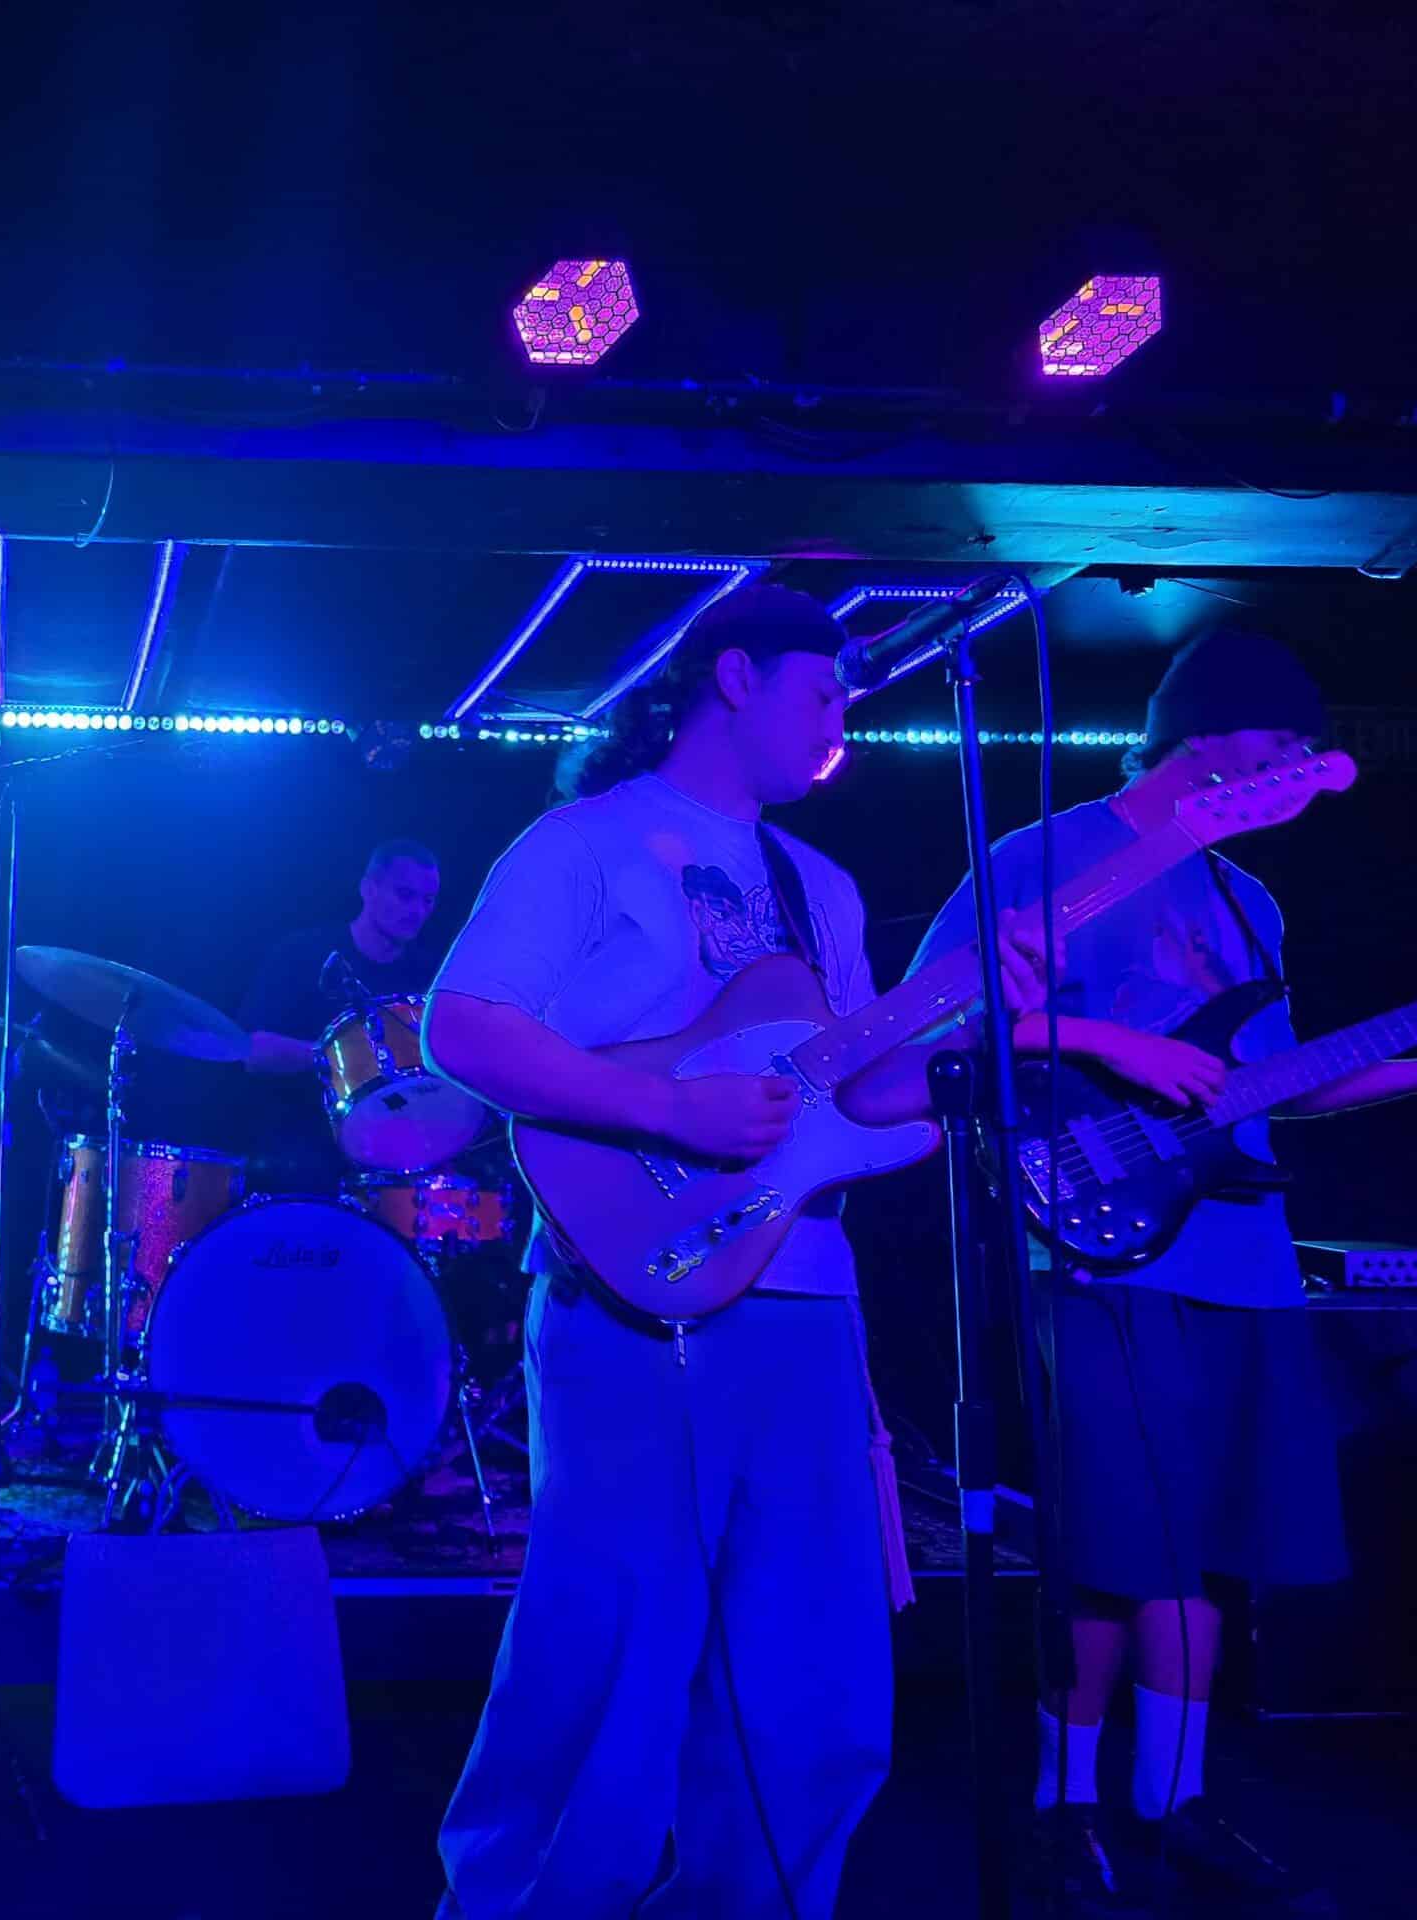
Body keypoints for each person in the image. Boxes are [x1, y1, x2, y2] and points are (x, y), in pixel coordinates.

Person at [422, 584, 1052, 1918]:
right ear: (735, 677)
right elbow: (462, 1029)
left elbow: (855, 1090)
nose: (840, 727)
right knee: (607, 1656)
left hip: (809, 1299)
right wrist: (664, 1108)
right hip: (633, 1299)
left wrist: (981, 1026)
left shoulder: (822, 886)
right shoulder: (586, 843)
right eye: (823, 696)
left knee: (814, 1678)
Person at [907, 629, 1416, 1912]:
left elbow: (1265, 1084)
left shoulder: (1252, 900)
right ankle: (1061, 1803)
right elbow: (936, 1029)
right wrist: (1112, 1046)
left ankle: (1173, 1799)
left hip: (1244, 1252)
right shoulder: (1046, 857)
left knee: (1211, 1547)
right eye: (1284, 743)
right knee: (1112, 1543)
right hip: (1099, 1239)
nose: (1300, 768)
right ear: (1209, 740)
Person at [236, 837, 443, 1186]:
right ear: (368, 889)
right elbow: (253, 1052)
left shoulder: (431, 975)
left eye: (428, 900)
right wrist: (342, 1057)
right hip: (300, 1154)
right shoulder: (302, 953)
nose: (417, 911)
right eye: (405, 895)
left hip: (400, 1157)